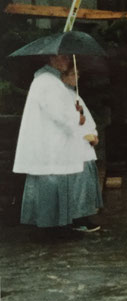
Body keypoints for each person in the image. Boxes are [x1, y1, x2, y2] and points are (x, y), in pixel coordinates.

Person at [12, 55, 96, 235]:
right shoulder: (47, 82)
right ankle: (50, 228)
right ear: (52, 59)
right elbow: (58, 113)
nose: (67, 62)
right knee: (50, 184)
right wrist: (77, 118)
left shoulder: (52, 81)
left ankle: (58, 224)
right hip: (50, 145)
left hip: (54, 143)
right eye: (63, 58)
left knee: (56, 182)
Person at [61, 67, 103, 232]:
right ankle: (77, 218)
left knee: (85, 182)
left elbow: (88, 119)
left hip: (85, 144)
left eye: (78, 73)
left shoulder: (74, 94)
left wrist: (93, 133)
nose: (77, 76)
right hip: (73, 146)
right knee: (77, 183)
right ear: (64, 76)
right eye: (73, 74)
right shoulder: (61, 95)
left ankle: (84, 215)